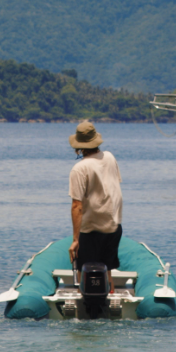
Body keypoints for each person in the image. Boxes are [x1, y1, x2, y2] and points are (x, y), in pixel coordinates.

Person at [68, 120, 123, 288]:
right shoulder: (110, 157)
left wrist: (76, 240)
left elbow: (77, 206)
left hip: (91, 229)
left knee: (83, 274)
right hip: (113, 226)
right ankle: (111, 299)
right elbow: (115, 184)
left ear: (79, 147)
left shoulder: (79, 168)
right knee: (107, 272)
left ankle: (84, 308)